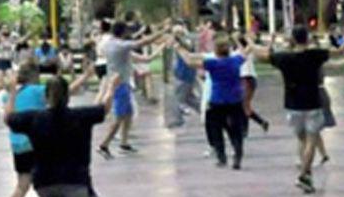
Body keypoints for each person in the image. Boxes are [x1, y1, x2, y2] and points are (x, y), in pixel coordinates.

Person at [262, 26, 344, 194]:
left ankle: (306, 174)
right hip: (312, 102)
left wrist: (255, 44)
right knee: (311, 140)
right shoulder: (315, 55)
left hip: (292, 105)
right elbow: (338, 52)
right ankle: (304, 174)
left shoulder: (283, 57)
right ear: (307, 38)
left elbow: (263, 56)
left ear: (292, 39)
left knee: (302, 140)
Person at [95, 20, 169, 158]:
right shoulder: (121, 46)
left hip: (120, 82)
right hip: (119, 84)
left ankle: (124, 143)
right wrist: (163, 31)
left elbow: (135, 45)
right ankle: (104, 145)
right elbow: (143, 42)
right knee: (119, 117)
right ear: (123, 32)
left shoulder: (110, 44)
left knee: (128, 114)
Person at [180, 39, 250, 169]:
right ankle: (238, 153)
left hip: (217, 100)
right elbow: (245, 53)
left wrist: (178, 48)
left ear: (216, 51)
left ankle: (221, 157)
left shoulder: (213, 63)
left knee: (216, 129)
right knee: (235, 129)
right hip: (235, 99)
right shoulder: (235, 61)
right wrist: (242, 41)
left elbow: (189, 61)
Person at [0, 63, 47, 197]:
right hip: (35, 143)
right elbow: (64, 93)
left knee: (22, 185)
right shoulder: (38, 90)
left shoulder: (8, 96)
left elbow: (8, 115)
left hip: (17, 145)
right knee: (55, 182)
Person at [165, 26, 202, 130]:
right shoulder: (180, 42)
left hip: (184, 73)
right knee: (189, 98)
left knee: (178, 97)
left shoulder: (185, 41)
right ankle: (204, 111)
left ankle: (177, 120)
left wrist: (177, 42)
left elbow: (189, 49)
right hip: (184, 72)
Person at [0, 31, 18, 103]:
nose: (5, 37)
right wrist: (1, 31)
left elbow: (20, 40)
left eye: (7, 36)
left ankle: (11, 99)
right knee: (0, 84)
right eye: (4, 36)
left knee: (12, 81)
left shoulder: (11, 42)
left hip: (7, 62)